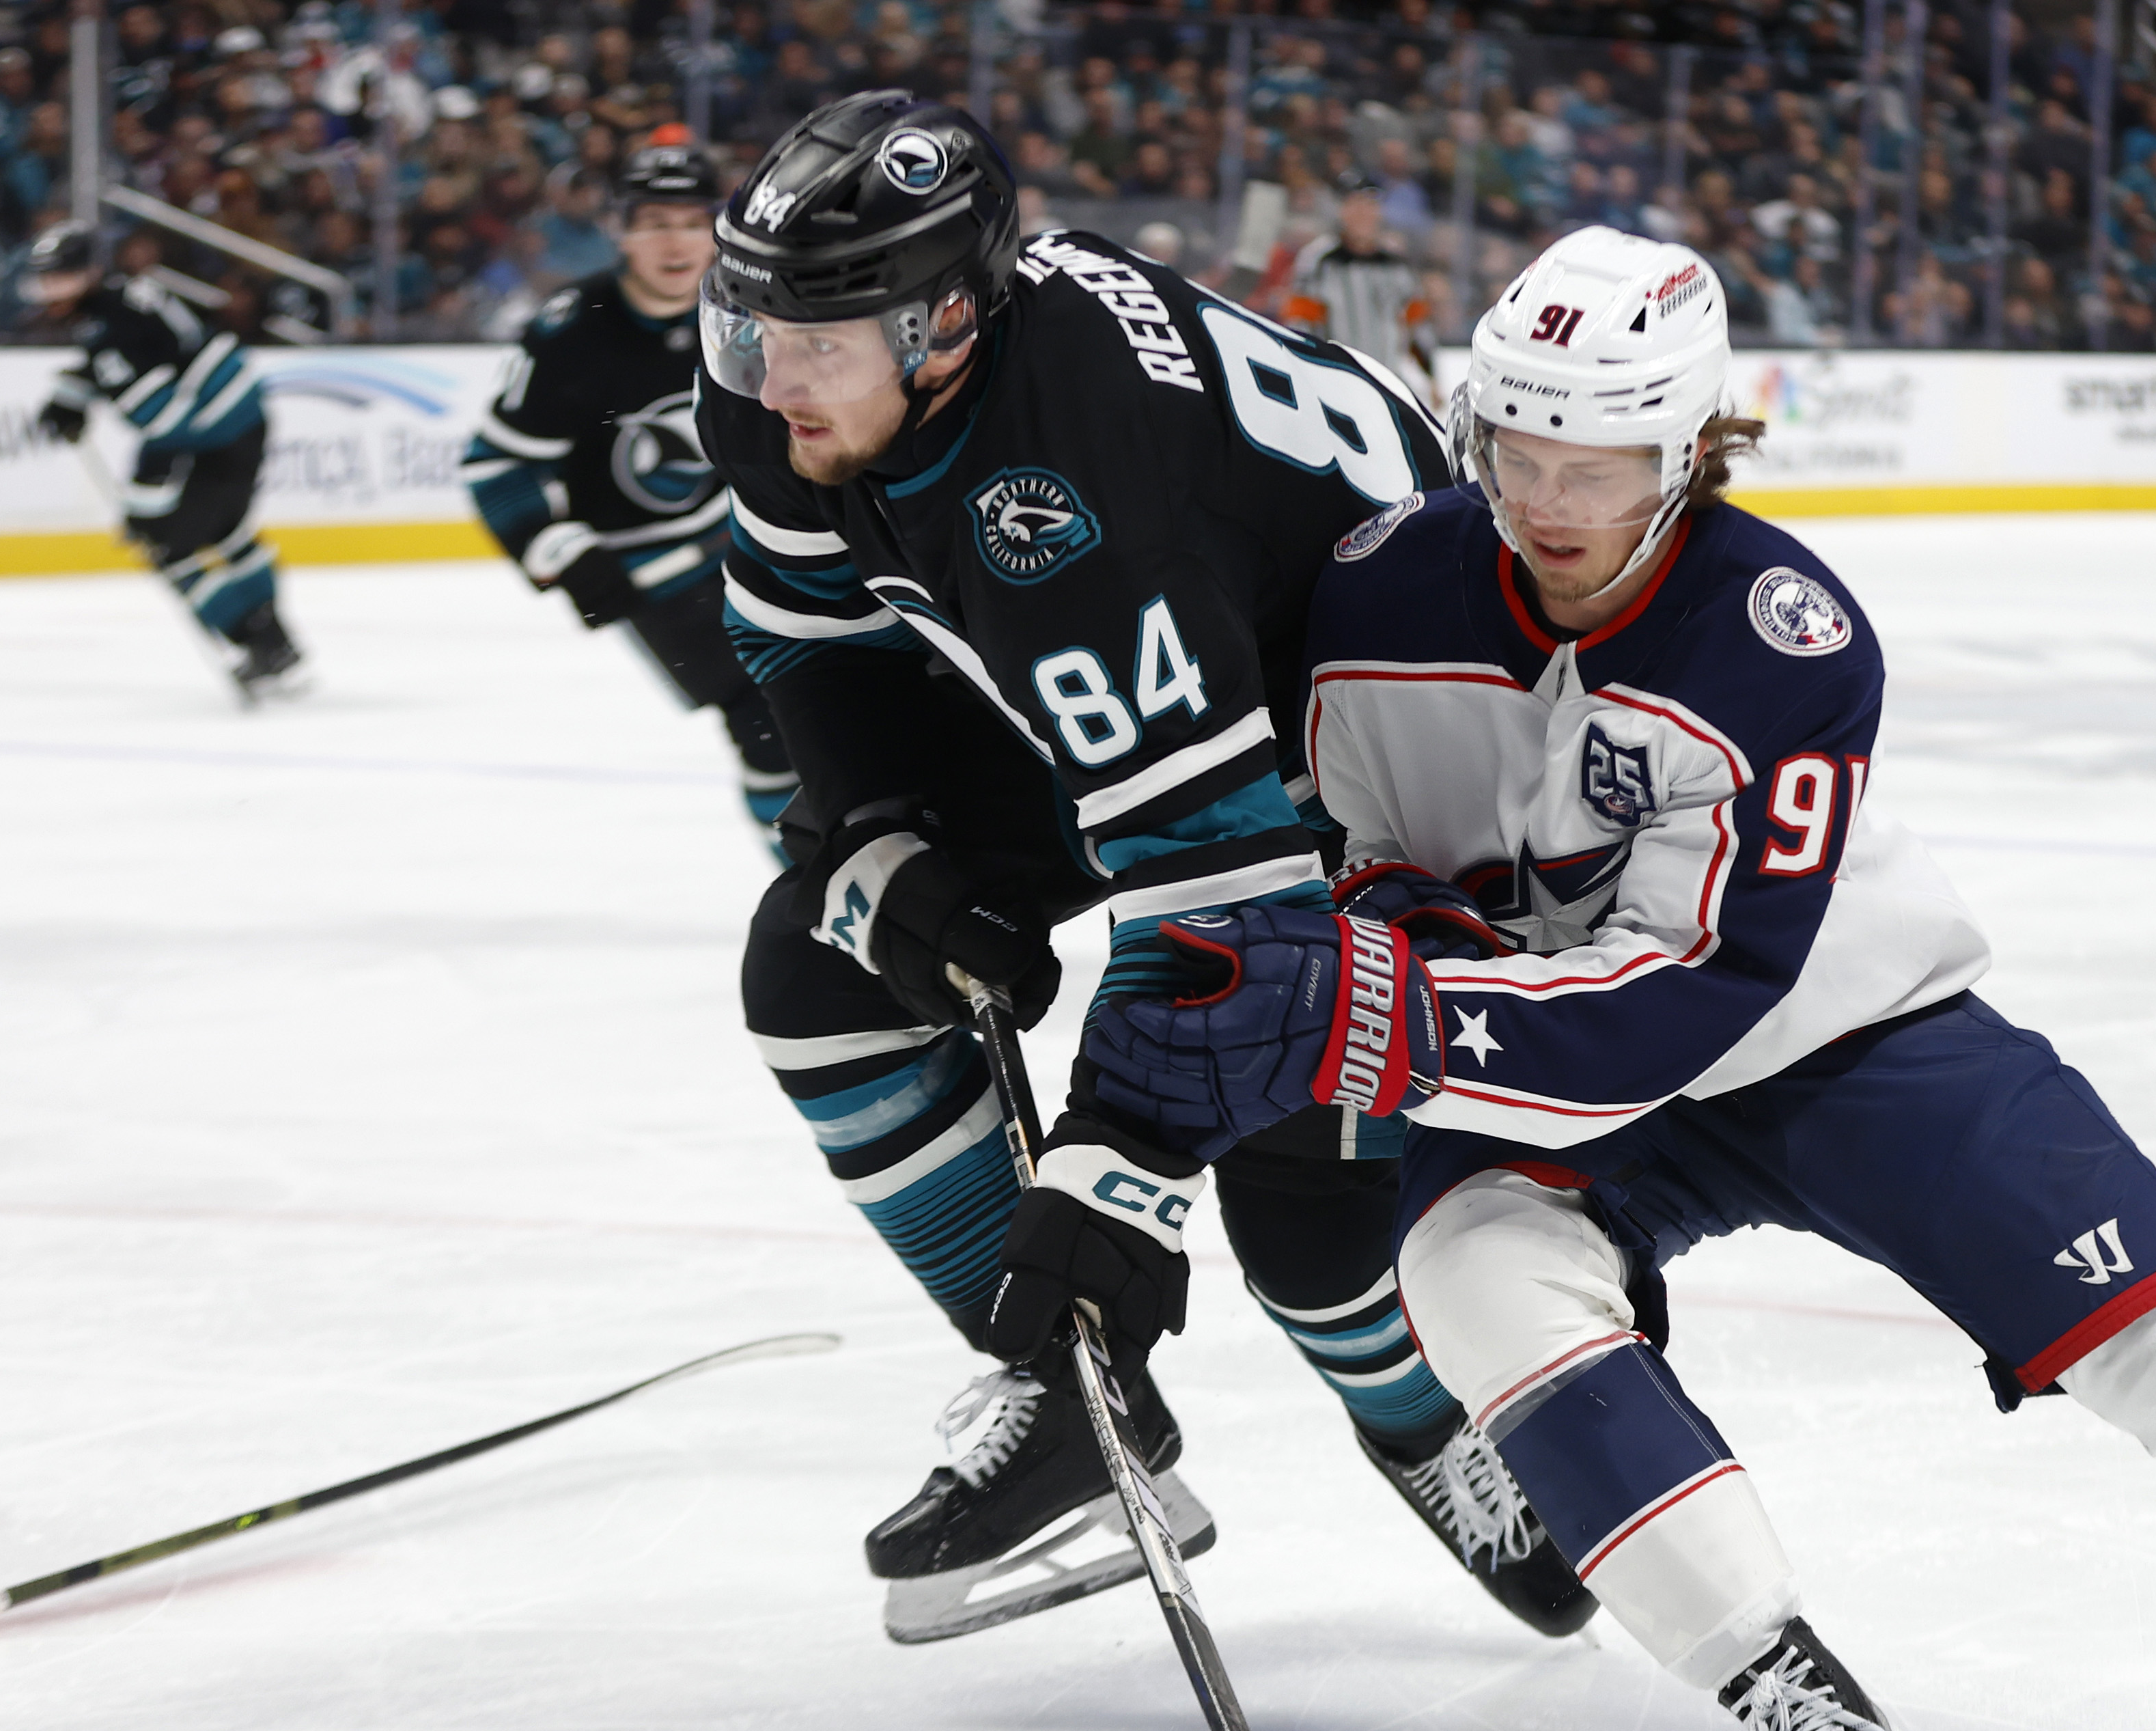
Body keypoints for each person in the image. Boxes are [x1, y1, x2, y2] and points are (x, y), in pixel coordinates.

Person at [1086, 228, 2156, 1731]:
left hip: (1842, 1038)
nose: (1552, 500)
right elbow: (1370, 861)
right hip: (1543, 1058)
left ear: (1694, 448)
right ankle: (1779, 1682)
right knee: (1480, 1278)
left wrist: (1376, 1016)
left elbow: (1692, 996)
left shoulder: (1783, 639)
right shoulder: (1376, 592)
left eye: (1607, 460)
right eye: (1523, 449)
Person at [691, 93, 1587, 1646]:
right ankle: (1081, 1423)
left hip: (1394, 760)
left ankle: (1433, 1434)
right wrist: (873, 828)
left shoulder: (1073, 496)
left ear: (947, 326)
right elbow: (799, 623)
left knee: (1303, 1236)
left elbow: (1222, 923)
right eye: (752, 323)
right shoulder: (802, 378)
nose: (769, 378)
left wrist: (1107, 1205)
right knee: (824, 967)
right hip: (1167, 682)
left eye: (814, 343)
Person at [461, 135, 797, 864]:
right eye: (652, 222)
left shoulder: (758, 308)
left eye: (689, 220)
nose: (673, 242)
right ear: (619, 230)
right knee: (767, 717)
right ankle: (817, 883)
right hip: (663, 581)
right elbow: (494, 468)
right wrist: (562, 553)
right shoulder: (570, 335)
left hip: (763, 541)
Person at [28, 221, 305, 695]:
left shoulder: (109, 329)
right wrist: (72, 394)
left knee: (166, 542)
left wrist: (141, 501)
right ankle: (274, 641)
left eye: (61, 276)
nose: (49, 288)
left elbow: (162, 420)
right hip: (245, 419)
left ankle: (254, 640)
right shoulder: (130, 297)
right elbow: (150, 362)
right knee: (227, 530)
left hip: (215, 433)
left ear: (91, 272)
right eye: (46, 277)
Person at [1283, 172, 1436, 402]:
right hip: (1335, 384)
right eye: (1355, 205)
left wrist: (1431, 377)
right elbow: (1301, 324)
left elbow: (1417, 324)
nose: (1364, 213)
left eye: (1370, 205)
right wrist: (1308, 375)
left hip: (1388, 383)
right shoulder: (1319, 262)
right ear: (1342, 210)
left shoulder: (1396, 265)